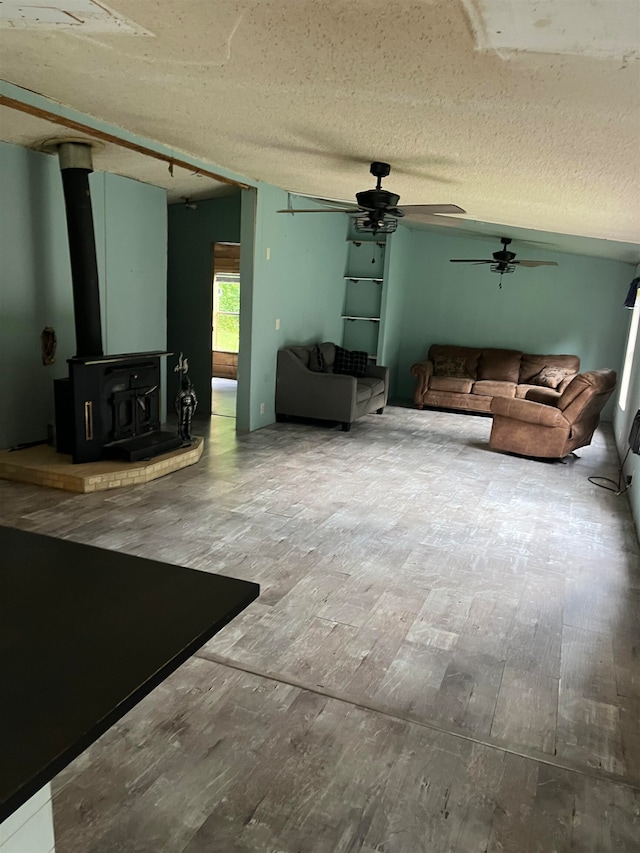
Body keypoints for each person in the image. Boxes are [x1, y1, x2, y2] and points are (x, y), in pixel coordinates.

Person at [174, 353, 197, 440]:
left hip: (189, 407)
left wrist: (193, 409)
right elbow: (177, 402)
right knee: (182, 421)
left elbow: (194, 401)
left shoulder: (191, 391)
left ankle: (187, 432)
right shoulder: (181, 392)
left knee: (188, 421)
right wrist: (178, 410)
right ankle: (181, 432)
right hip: (183, 407)